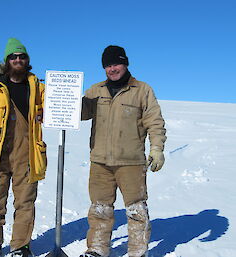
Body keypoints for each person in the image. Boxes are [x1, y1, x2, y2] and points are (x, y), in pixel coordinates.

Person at [80, 45, 166, 257]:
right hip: (100, 160)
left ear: (125, 63)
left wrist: (156, 148)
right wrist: (64, 101)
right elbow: (81, 113)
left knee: (136, 209)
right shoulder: (95, 90)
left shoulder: (142, 90)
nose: (112, 68)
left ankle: (137, 251)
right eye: (108, 65)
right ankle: (97, 249)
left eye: (116, 63)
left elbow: (155, 122)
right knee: (100, 208)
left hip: (131, 162)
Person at [0, 38, 47, 257]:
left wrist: (47, 113)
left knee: (25, 204)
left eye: (21, 56)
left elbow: (56, 111)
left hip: (28, 155)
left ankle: (20, 246)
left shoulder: (39, 88)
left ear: (27, 60)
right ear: (7, 61)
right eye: (13, 56)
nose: (17, 60)